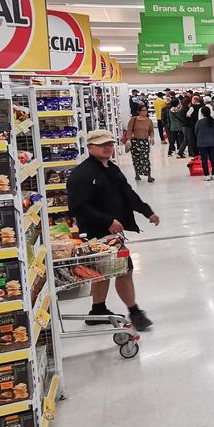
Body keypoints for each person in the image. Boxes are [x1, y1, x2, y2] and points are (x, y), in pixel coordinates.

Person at [66, 130, 160, 332]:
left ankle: (97, 310)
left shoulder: (111, 168)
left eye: (109, 144)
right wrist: (107, 220)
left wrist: (146, 211)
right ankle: (135, 312)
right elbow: (77, 206)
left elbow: (127, 193)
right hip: (96, 233)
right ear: (90, 147)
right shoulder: (82, 175)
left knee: (102, 272)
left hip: (111, 233)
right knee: (125, 271)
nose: (107, 148)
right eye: (102, 145)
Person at [125, 104, 155, 184]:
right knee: (136, 158)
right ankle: (137, 174)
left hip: (144, 142)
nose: (145, 112)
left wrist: (152, 137)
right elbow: (129, 130)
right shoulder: (133, 120)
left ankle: (149, 175)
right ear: (138, 111)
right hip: (135, 142)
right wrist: (128, 139)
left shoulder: (149, 120)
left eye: (146, 110)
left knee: (146, 158)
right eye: (143, 110)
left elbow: (151, 131)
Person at [195, 105, 214, 181]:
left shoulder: (199, 122)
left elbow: (196, 132)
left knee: (204, 159)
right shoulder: (213, 121)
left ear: (202, 113)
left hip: (202, 143)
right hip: (212, 142)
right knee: (213, 158)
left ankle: (206, 175)